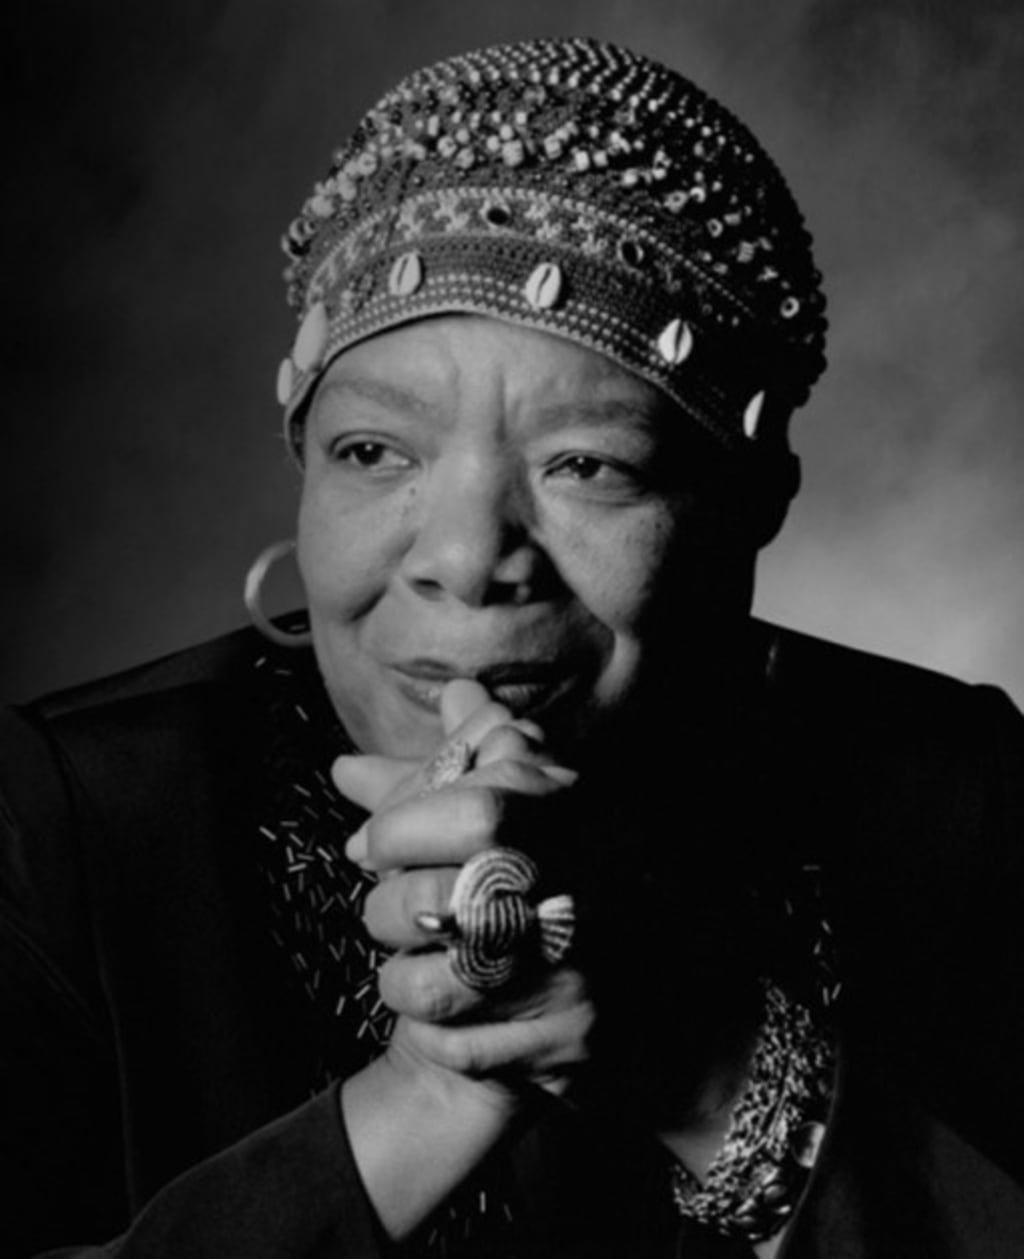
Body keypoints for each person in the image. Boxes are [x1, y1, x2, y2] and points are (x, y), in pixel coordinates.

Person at [2, 35, 1022, 1259]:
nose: (465, 555)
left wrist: (703, 1061)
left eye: (585, 463)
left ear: (752, 502)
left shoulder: (953, 798)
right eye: (374, 450)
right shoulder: (72, 822)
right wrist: (431, 1092)